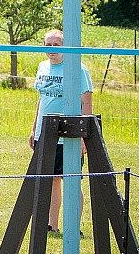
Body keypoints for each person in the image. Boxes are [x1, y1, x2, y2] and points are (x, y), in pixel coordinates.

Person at [29, 29, 93, 233]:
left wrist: (84, 135)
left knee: (72, 179)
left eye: (56, 45)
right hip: (45, 133)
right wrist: (34, 129)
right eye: (48, 45)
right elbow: (42, 99)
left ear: (65, 47)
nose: (52, 50)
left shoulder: (77, 69)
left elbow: (86, 101)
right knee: (50, 179)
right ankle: (52, 225)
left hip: (69, 135)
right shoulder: (42, 67)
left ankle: (73, 227)